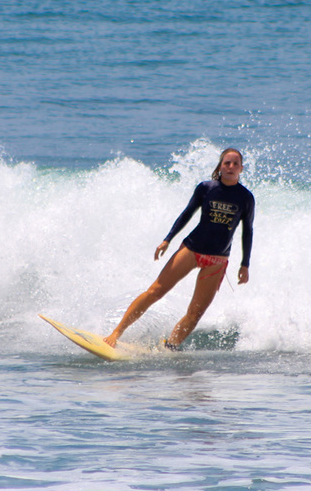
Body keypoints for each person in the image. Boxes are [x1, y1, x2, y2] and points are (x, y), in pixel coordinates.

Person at [104, 147, 255, 350]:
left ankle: (170, 346)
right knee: (155, 291)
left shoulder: (245, 198)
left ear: (241, 168)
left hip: (217, 260)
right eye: (227, 162)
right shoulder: (206, 188)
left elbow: (248, 231)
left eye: (235, 163)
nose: (230, 166)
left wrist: (244, 265)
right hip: (192, 249)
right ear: (220, 166)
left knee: (195, 313)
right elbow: (186, 214)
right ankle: (116, 333)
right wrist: (167, 240)